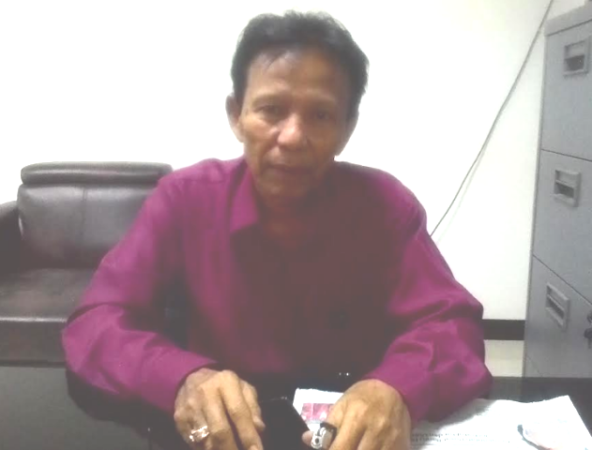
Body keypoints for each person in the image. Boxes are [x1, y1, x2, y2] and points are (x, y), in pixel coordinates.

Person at [62, 10, 492, 450]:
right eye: (271, 110)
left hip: (347, 436)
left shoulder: (386, 207)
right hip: (225, 435)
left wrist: (396, 388)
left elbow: (453, 326)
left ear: (347, 130)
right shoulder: (185, 199)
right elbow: (96, 323)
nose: (292, 137)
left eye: (320, 115)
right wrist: (181, 377)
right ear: (236, 114)